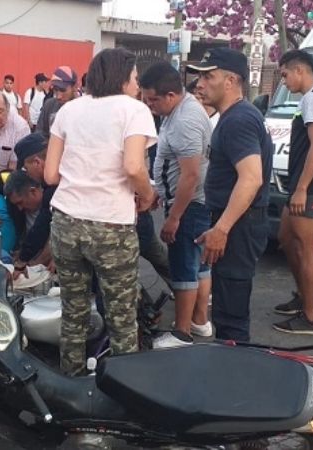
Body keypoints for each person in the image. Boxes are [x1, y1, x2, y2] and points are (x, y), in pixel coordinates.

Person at [45, 48, 157, 376]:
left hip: (65, 220)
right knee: (122, 318)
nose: (137, 85)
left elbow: (50, 175)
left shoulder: (68, 110)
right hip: (111, 226)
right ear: (122, 79)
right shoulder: (134, 110)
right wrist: (148, 195)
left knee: (73, 312)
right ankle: (124, 389)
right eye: (134, 78)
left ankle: (71, 383)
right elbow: (134, 166)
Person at [187, 48, 272, 342]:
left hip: (239, 226)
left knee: (231, 316)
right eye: (199, 77)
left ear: (231, 80)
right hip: (237, 222)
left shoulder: (239, 120)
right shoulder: (235, 116)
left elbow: (251, 178)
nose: (200, 84)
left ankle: (234, 365)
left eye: (208, 77)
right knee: (226, 308)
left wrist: (222, 229)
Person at [139, 61, 213, 348]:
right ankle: (199, 321)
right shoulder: (180, 110)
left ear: (171, 95)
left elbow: (191, 174)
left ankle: (182, 333)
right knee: (199, 265)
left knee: (183, 267)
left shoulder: (185, 120)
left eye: (153, 100)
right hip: (189, 202)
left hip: (190, 205)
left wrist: (174, 217)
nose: (150, 106)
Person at [272, 50, 313, 336]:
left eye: (285, 74)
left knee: (307, 249)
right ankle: (302, 297)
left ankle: (310, 318)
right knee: (286, 238)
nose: (284, 81)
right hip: (300, 186)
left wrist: (302, 188)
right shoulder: (309, 99)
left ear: (299, 70)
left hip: (311, 188)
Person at [10, 133, 57, 271]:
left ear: (37, 162)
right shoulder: (52, 183)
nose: (27, 174)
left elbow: (42, 227)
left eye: (25, 168)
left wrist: (23, 262)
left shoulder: (56, 185)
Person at [36, 66, 77, 138]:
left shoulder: (82, 109)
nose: (58, 96)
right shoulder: (49, 105)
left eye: (63, 90)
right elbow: (39, 135)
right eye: (55, 90)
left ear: (74, 87)